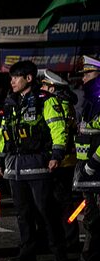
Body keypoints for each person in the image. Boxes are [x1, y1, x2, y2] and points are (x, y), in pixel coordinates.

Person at [0, 60, 68, 261]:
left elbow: (58, 129)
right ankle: (27, 250)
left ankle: (60, 256)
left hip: (38, 165)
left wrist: (57, 154)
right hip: (15, 167)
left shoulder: (46, 100)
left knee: (47, 211)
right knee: (23, 213)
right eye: (11, 77)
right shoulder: (10, 102)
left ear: (28, 78)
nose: (12, 81)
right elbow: (3, 134)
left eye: (16, 77)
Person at [58, 56, 100, 261]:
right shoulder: (90, 100)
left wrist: (93, 163)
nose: (83, 78)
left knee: (95, 223)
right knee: (94, 223)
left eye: (88, 74)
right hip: (88, 174)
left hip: (96, 171)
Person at [38, 69, 80, 249]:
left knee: (57, 203)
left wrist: (54, 156)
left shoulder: (54, 103)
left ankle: (65, 240)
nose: (41, 88)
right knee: (64, 203)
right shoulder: (67, 103)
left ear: (53, 89)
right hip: (68, 160)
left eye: (45, 85)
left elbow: (58, 132)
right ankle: (69, 239)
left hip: (59, 161)